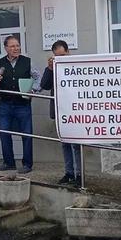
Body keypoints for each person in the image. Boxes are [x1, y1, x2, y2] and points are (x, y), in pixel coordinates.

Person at [0, 35, 41, 173]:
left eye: (17, 45)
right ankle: (9, 162)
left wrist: (33, 89)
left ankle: (27, 164)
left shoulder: (27, 61)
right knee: (4, 134)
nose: (16, 48)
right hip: (5, 104)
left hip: (22, 104)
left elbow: (38, 77)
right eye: (12, 46)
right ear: (6, 48)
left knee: (26, 134)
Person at [40, 40, 82, 187]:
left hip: (75, 111)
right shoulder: (53, 67)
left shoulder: (76, 65)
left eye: (63, 55)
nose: (61, 59)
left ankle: (79, 175)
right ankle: (69, 173)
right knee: (65, 143)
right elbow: (44, 85)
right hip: (60, 111)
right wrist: (50, 69)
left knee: (76, 145)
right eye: (57, 56)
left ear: (68, 52)